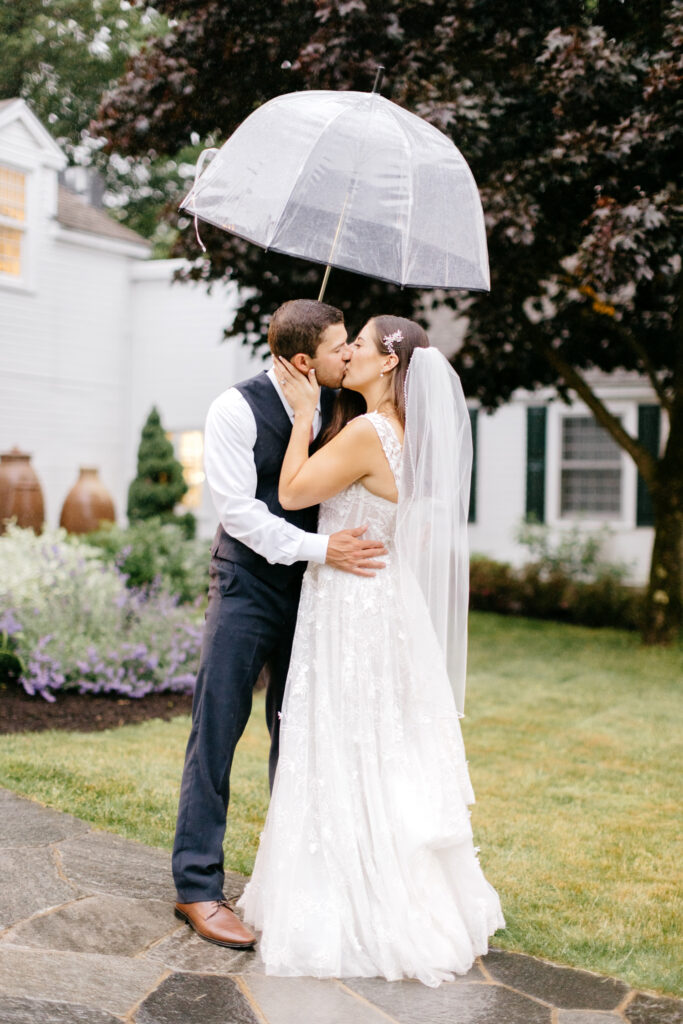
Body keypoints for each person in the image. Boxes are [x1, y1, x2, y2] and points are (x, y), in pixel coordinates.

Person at [238, 315, 505, 986]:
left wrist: (301, 417)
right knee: (380, 747)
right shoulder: (411, 438)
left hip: (350, 605)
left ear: (387, 364)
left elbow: (292, 493)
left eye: (357, 342)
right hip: (386, 600)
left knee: (342, 742)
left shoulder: (365, 432)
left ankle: (352, 903)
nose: (348, 351)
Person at [172, 300, 388, 949]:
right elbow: (238, 512)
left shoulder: (343, 406)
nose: (348, 355)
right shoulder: (233, 409)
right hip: (246, 585)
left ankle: (286, 882)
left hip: (318, 596)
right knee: (218, 729)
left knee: (298, 739)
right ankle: (196, 887)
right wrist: (324, 551)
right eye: (338, 347)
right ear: (302, 360)